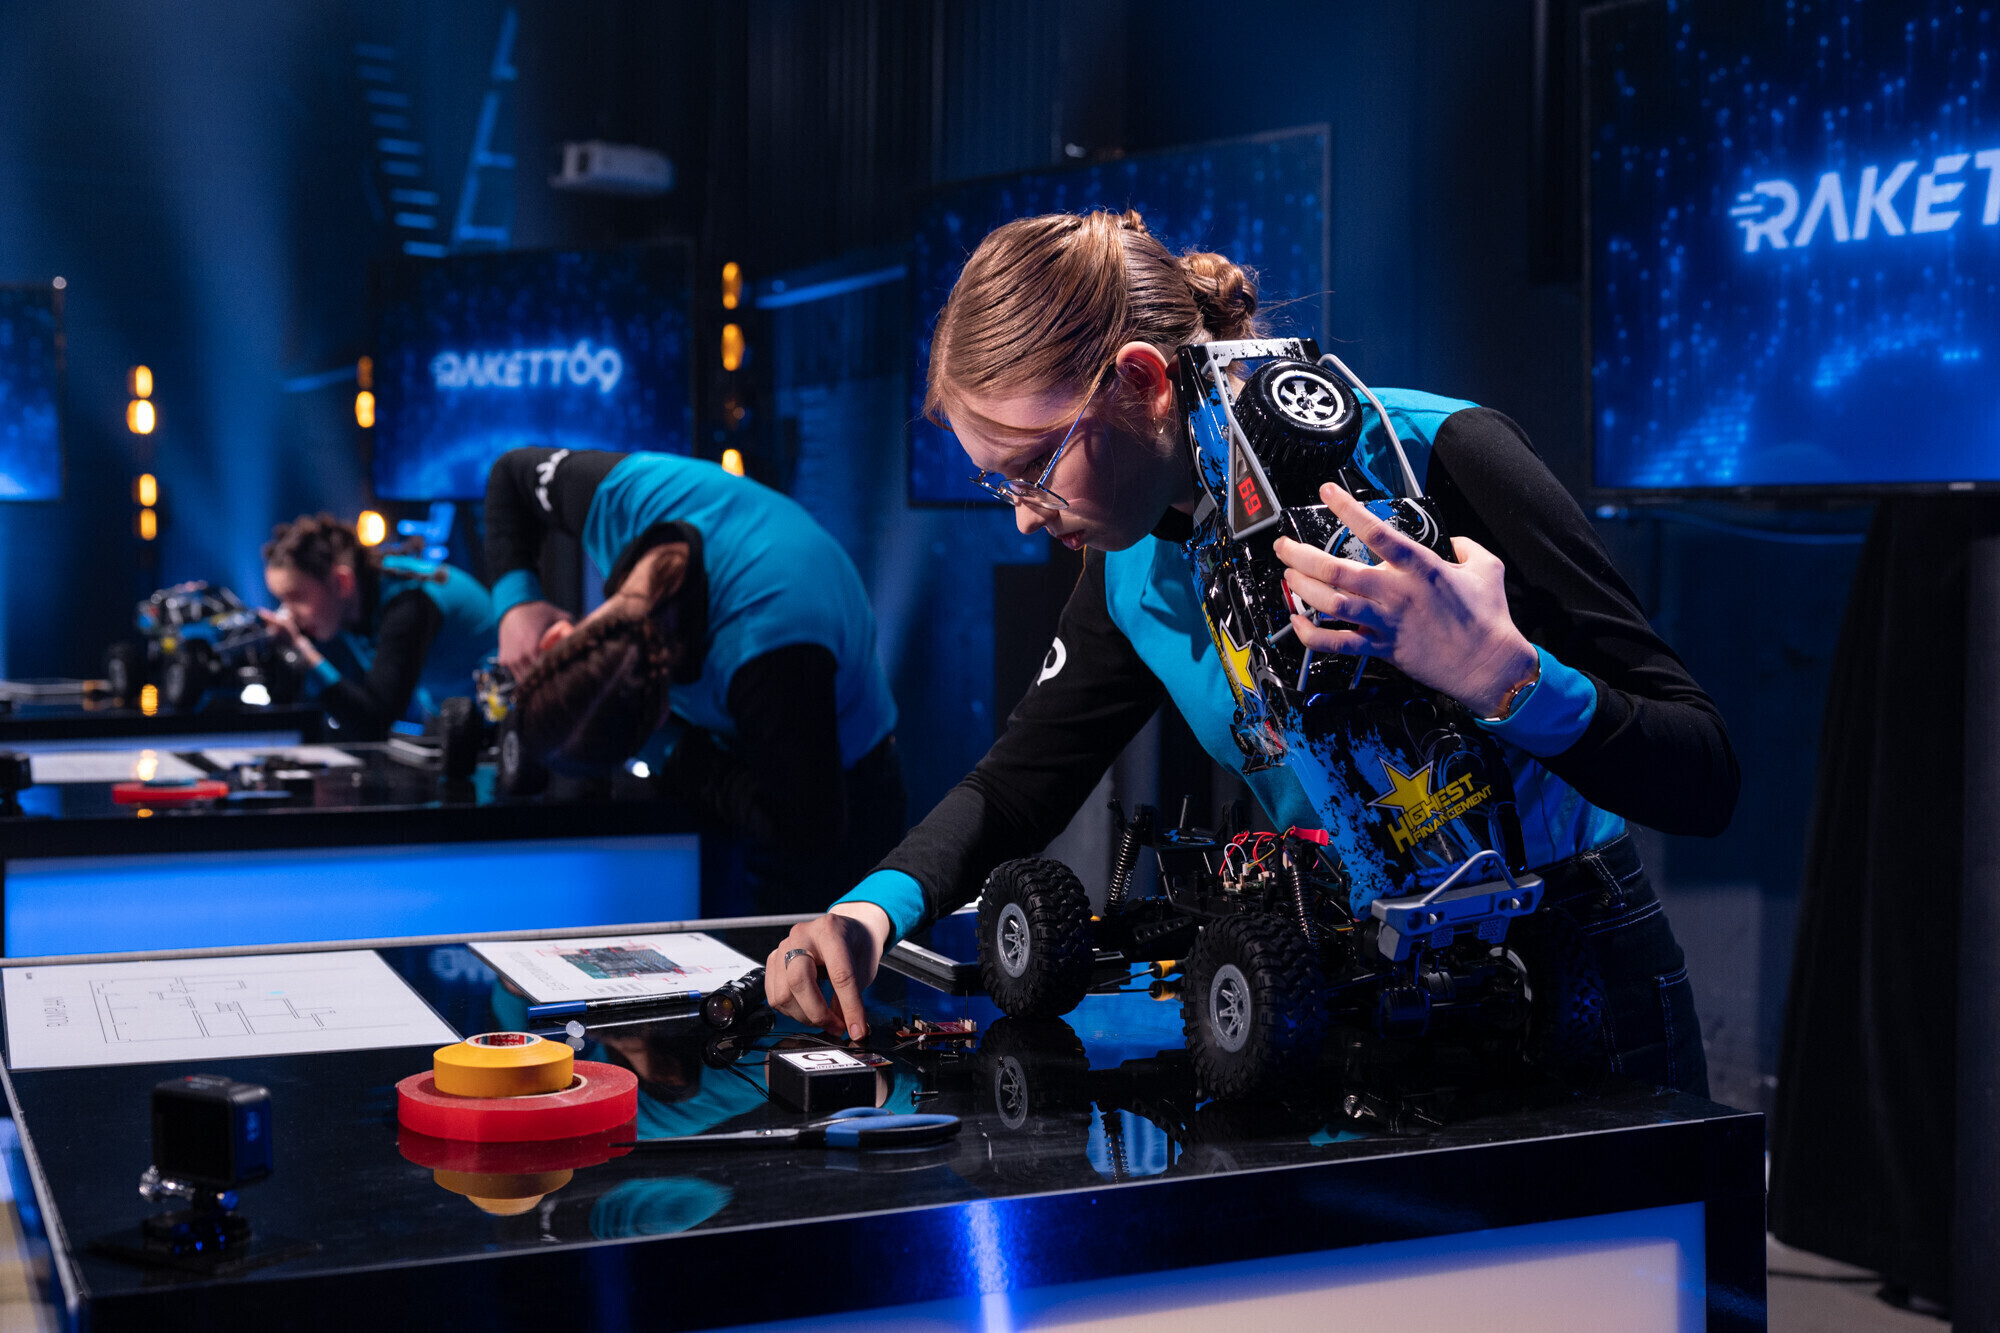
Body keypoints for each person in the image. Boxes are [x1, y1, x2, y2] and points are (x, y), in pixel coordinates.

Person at [764, 210, 1738, 1096]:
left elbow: (1702, 773)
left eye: (1033, 469)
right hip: (1352, 990)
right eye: (1001, 485)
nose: (1025, 515)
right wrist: (868, 912)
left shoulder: (1435, 455)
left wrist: (1504, 679)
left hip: (1570, 980)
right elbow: (1018, 784)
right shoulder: (1129, 562)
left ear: (1141, 380)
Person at [484, 447, 904, 913]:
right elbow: (510, 475)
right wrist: (516, 603)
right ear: (558, 639)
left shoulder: (767, 653)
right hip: (751, 735)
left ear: (664, 713)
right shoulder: (624, 499)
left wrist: (668, 750)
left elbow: (810, 831)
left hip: (837, 787)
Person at [260, 514, 498, 740]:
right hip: (454, 716)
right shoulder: (348, 606)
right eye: (282, 600)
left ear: (342, 582)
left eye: (297, 597)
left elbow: (374, 721)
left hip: (494, 719)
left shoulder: (408, 604)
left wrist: (302, 652)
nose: (288, 613)